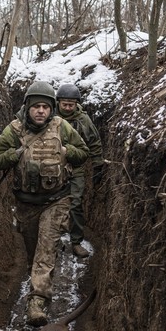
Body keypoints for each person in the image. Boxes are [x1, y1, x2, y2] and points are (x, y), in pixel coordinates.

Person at [0, 81, 90, 327]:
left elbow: (82, 152)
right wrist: (15, 154)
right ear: (28, 107)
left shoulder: (62, 126)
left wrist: (66, 151)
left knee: (46, 251)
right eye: (37, 107)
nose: (41, 111)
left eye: (45, 106)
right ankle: (39, 285)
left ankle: (37, 303)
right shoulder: (14, 130)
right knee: (35, 254)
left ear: (51, 108)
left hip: (57, 199)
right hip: (26, 204)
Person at [55, 83, 104, 258]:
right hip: (51, 168)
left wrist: (98, 165)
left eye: (71, 104)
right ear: (58, 102)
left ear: (77, 104)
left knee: (75, 203)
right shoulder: (49, 116)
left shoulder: (83, 120)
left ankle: (76, 242)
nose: (68, 108)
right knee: (51, 204)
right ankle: (54, 240)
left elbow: (94, 142)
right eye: (64, 104)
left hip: (76, 167)